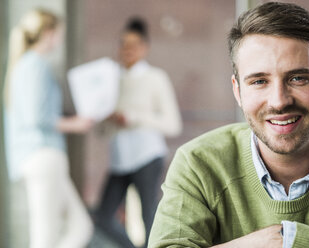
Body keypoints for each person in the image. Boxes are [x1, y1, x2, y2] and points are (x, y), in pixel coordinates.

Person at [148, 2, 309, 248]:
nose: (279, 101)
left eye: (298, 78)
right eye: (259, 81)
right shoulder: (199, 163)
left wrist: (292, 241)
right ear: (238, 91)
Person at [4, 8, 93, 248]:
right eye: (60, 33)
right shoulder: (35, 66)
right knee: (45, 237)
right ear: (49, 33)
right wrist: (75, 124)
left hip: (38, 158)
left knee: (80, 227)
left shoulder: (23, 65)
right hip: (43, 156)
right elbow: (37, 117)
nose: (61, 39)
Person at [94, 17, 182, 248]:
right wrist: (109, 119)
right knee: (103, 217)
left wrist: (135, 117)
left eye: (133, 45)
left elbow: (173, 124)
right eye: (123, 44)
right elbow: (101, 131)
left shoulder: (155, 78)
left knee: (149, 217)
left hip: (147, 156)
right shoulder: (110, 79)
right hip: (119, 160)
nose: (127, 50)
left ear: (144, 48)